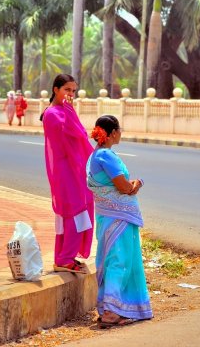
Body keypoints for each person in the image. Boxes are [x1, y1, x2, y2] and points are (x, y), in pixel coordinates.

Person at [87, 115, 153, 328]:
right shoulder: (106, 155)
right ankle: (112, 311)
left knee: (114, 259)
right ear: (113, 133)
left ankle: (112, 307)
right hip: (118, 218)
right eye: (119, 130)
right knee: (119, 260)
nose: (121, 133)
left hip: (108, 216)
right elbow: (123, 187)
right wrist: (136, 184)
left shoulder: (96, 155)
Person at [41, 74, 94, 274]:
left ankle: (64, 256)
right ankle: (64, 258)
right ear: (56, 89)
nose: (70, 94)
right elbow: (73, 135)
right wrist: (71, 111)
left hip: (75, 168)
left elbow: (80, 134)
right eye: (67, 90)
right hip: (65, 169)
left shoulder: (65, 110)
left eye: (73, 91)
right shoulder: (53, 113)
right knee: (73, 211)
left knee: (78, 209)